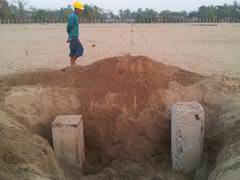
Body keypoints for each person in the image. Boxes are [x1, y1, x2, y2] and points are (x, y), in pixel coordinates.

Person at [67, 1, 84, 66]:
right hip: (73, 37)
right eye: (80, 9)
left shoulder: (75, 16)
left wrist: (69, 37)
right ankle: (73, 63)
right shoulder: (72, 16)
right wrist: (70, 35)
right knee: (80, 49)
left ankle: (72, 64)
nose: (80, 11)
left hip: (73, 36)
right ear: (76, 9)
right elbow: (69, 26)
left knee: (73, 51)